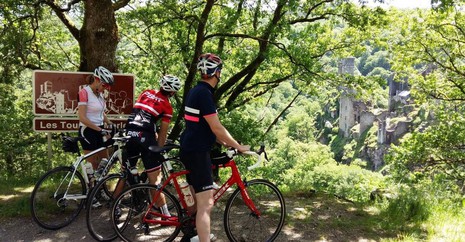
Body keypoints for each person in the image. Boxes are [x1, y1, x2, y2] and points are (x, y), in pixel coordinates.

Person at [180, 53, 250, 242]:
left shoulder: (195, 91)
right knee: (206, 204)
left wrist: (225, 142)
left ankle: (192, 234)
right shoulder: (205, 94)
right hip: (198, 151)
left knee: (196, 198)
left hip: (189, 147)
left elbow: (203, 126)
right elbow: (216, 127)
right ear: (217, 73)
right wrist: (238, 146)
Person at [124, 74, 182, 216]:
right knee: (154, 179)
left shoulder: (146, 92)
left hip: (129, 133)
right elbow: (163, 132)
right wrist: (159, 149)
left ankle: (115, 206)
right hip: (145, 138)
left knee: (125, 173)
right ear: (172, 93)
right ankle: (165, 215)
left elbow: (143, 115)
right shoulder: (167, 106)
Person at [78, 66, 115, 173]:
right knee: (93, 163)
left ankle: (100, 186)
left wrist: (109, 123)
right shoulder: (84, 92)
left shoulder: (100, 94)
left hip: (100, 128)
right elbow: (82, 117)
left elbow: (100, 112)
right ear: (97, 80)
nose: (105, 88)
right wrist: (100, 130)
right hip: (87, 130)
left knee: (105, 161)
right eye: (104, 85)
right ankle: (91, 188)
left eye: (107, 87)